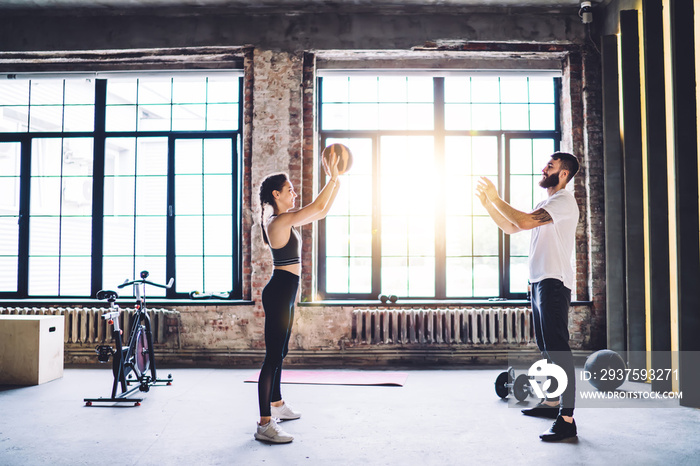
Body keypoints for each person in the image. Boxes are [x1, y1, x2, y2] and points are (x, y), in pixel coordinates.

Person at [476, 151, 580, 442]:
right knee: (546, 348)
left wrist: (496, 198)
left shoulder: (563, 201)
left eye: (551, 165)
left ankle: (567, 419)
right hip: (538, 282)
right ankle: (551, 403)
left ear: (563, 174)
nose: (544, 167)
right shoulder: (547, 203)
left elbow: (521, 221)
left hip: (554, 282)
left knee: (558, 349)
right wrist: (488, 205)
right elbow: (510, 227)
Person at [254, 153, 341, 444]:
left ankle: (277, 404)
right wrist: (332, 179)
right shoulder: (278, 221)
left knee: (281, 352)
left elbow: (321, 212)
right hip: (279, 292)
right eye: (290, 190)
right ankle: (265, 424)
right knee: (272, 357)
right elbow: (316, 206)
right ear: (276, 194)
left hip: (286, 292)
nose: (294, 193)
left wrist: (337, 182)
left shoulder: (286, 220)